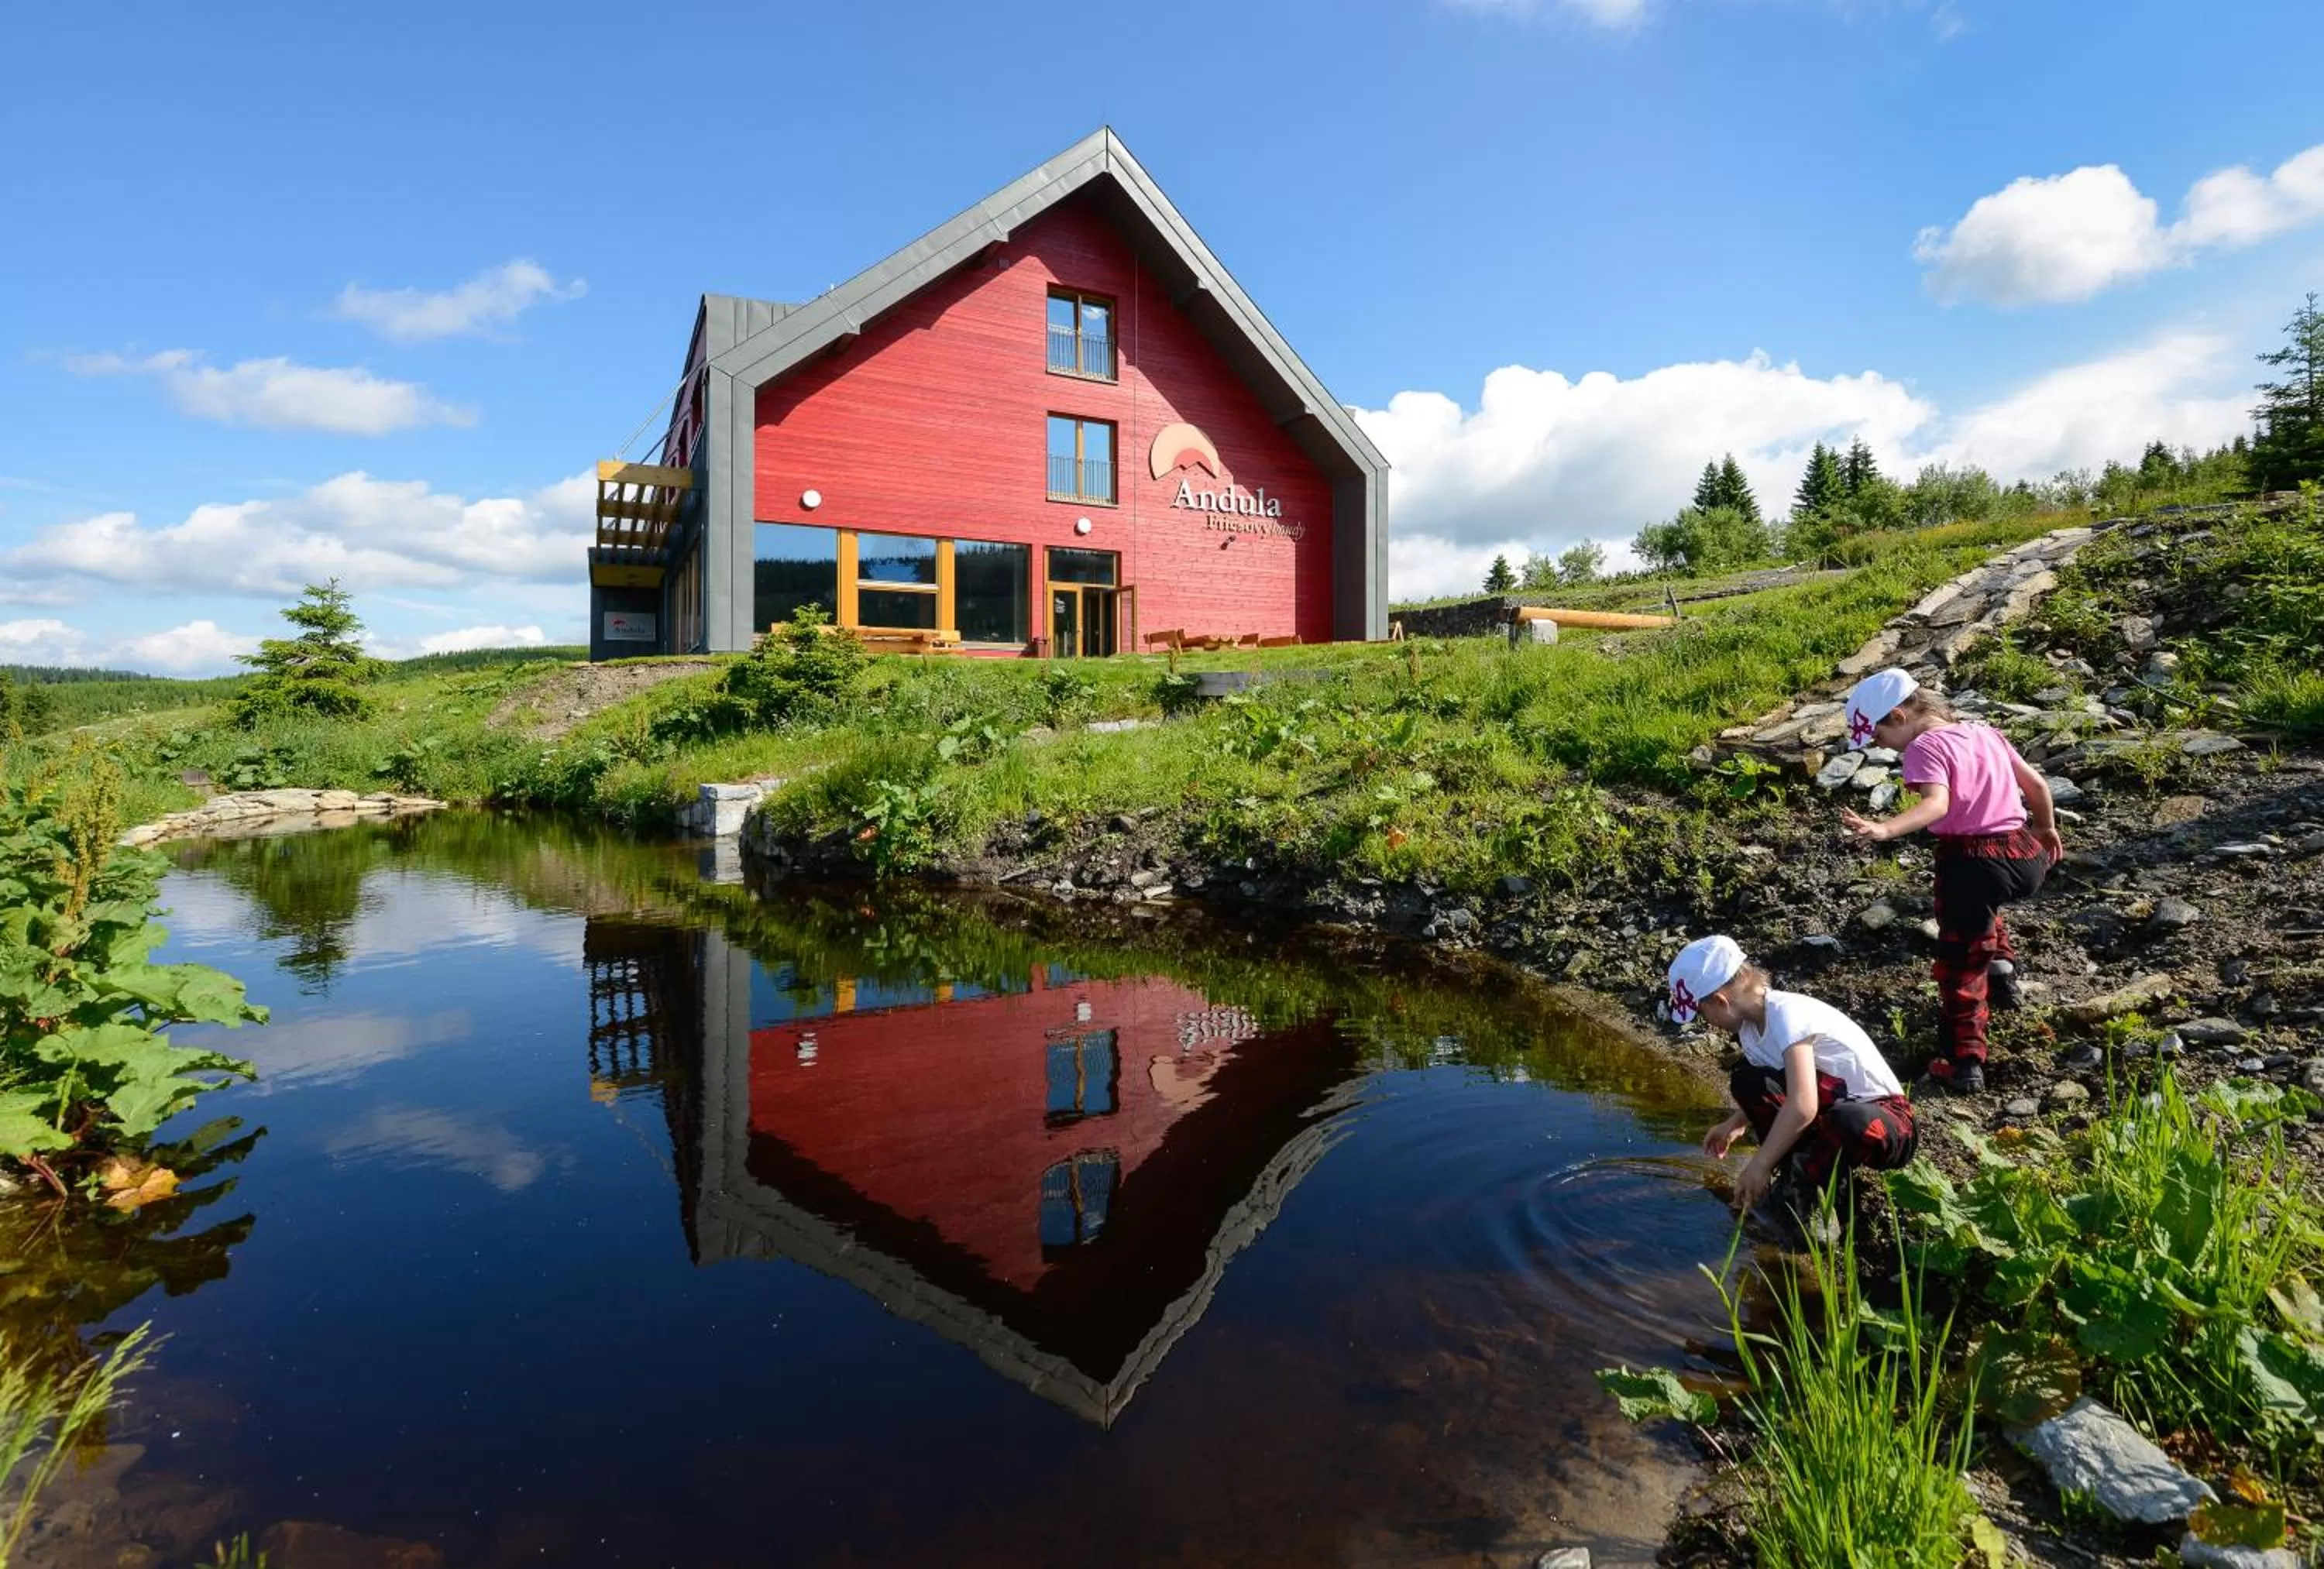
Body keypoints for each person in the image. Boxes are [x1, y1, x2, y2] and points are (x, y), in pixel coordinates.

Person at [1836, 666, 2061, 1096]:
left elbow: (1938, 805)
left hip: (1970, 860)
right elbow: (2035, 784)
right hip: (2023, 856)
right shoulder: (1985, 732)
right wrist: (2046, 828)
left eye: (1879, 737)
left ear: (1899, 717)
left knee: (1958, 963)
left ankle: (1964, 1061)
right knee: (1984, 911)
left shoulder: (1923, 747)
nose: (1881, 746)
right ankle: (2002, 972)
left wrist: (1886, 829)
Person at [1668, 936, 1917, 1213]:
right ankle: (1795, 1172)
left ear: (1720, 1001)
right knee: (1747, 1080)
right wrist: (1734, 1123)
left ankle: (1818, 1201)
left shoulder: (1787, 1015)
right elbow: (1781, 1089)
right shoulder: (1750, 1032)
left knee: (1847, 1120)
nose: (1708, 1023)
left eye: (1702, 1014)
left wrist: (1759, 1164)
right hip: (1830, 1112)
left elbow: (1802, 1106)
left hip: (1886, 1123)